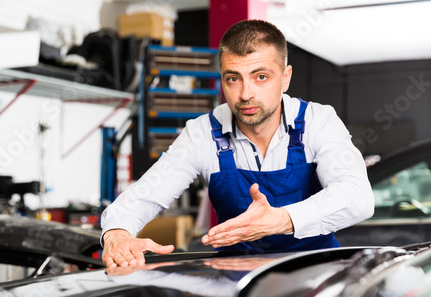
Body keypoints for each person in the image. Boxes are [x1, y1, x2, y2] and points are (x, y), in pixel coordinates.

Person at [100, 19, 374, 268]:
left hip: (318, 270)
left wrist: (280, 220)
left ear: (285, 78)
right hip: (237, 278)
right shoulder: (202, 133)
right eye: (233, 79)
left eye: (261, 77)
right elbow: (147, 193)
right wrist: (117, 234)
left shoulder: (318, 121)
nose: (245, 94)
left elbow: (357, 197)